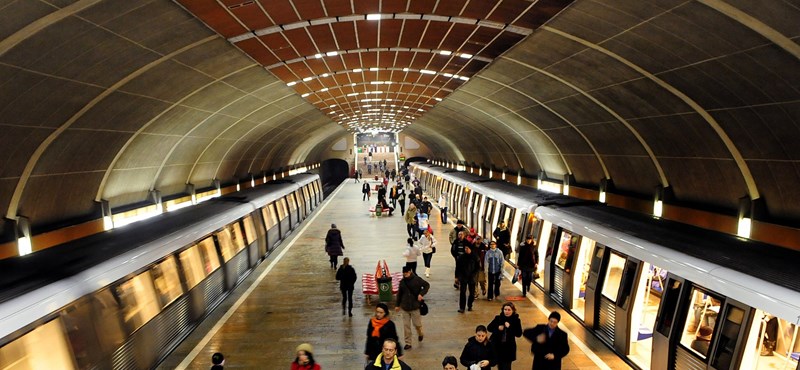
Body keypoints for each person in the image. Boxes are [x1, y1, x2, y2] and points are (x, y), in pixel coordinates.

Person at [396, 266, 430, 350]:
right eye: (404, 273)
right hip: (405, 307)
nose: (405, 275)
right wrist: (397, 305)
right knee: (406, 326)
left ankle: (420, 333)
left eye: (406, 273)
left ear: (410, 272)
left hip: (415, 307)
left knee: (417, 324)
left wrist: (421, 294)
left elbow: (426, 285)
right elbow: (399, 294)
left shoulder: (417, 279)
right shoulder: (402, 282)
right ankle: (408, 343)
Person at [488, 302, 523, 370]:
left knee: (506, 367)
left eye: (509, 310)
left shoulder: (516, 320)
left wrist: (510, 327)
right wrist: (498, 328)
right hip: (498, 347)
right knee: (500, 366)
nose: (507, 311)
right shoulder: (498, 318)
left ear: (513, 311)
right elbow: (489, 328)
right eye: (505, 309)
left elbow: (519, 334)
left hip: (508, 348)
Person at [456, 245, 480, 313]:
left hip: (472, 277)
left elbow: (478, 267)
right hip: (463, 277)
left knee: (472, 293)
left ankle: (470, 305)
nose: (466, 249)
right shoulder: (461, 257)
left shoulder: (475, 257)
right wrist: (457, 276)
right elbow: (457, 267)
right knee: (462, 293)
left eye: (467, 248)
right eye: (465, 248)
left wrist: (474, 274)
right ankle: (462, 308)